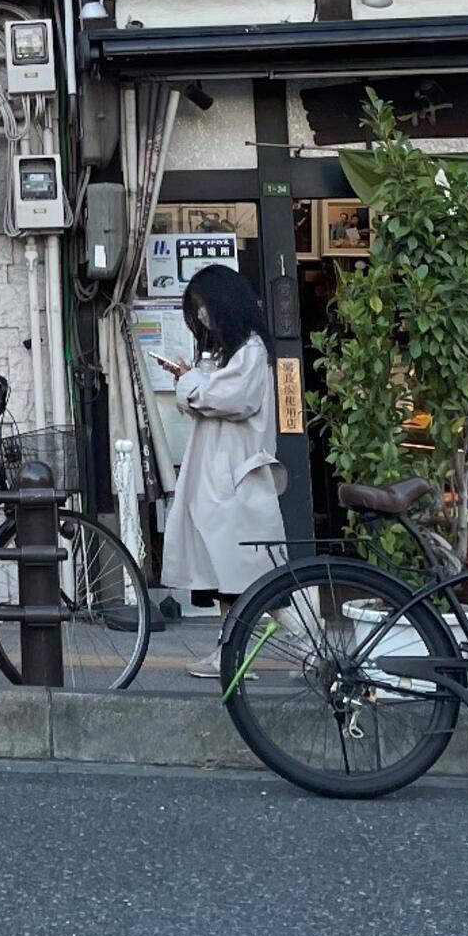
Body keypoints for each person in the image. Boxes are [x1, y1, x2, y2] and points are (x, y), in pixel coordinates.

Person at [157, 263, 287, 675]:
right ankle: (231, 651)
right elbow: (210, 393)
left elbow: (231, 399)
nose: (200, 317)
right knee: (228, 572)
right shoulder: (235, 353)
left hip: (235, 479)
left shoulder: (251, 351)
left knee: (246, 573)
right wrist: (189, 377)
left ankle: (287, 648)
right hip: (220, 480)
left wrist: (189, 381)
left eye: (201, 307)